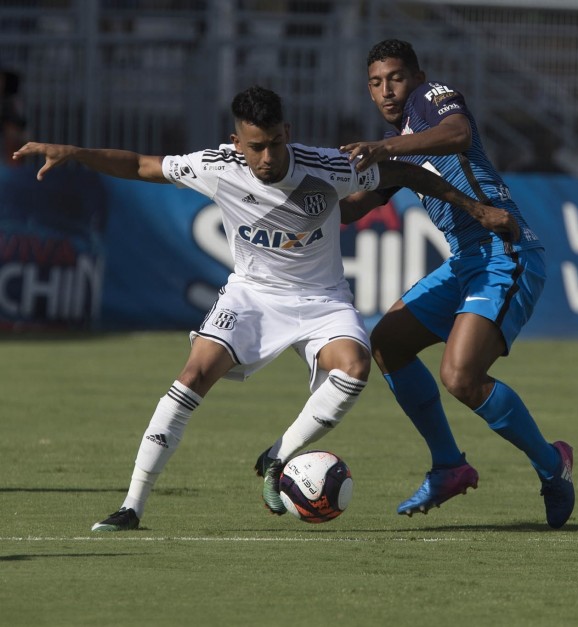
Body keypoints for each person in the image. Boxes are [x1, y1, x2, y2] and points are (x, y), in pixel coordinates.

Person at [13, 85, 517, 532]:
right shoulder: (216, 166)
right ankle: (131, 505)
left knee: (356, 367)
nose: (268, 156)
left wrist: (474, 207)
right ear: (237, 143)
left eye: (275, 142)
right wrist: (75, 152)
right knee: (193, 375)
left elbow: (406, 171)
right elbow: (142, 165)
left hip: (322, 301)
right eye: (256, 146)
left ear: (287, 133)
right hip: (251, 296)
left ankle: (278, 457)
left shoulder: (327, 166)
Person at [339, 39, 574, 529]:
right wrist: (296, 206)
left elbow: (458, 134)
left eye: (396, 78)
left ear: (418, 76)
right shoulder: (399, 143)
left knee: (460, 377)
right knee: (387, 344)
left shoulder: (432, 101)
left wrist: (383, 147)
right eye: (376, 83)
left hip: (504, 250)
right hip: (467, 260)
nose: (387, 91)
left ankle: (553, 466)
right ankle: (449, 465)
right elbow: (358, 206)